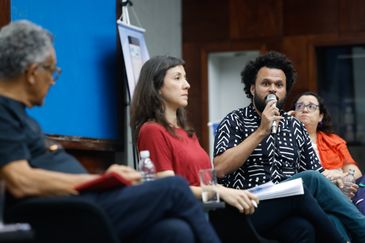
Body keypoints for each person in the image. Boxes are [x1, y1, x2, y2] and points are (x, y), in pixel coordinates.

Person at [0, 20, 222, 243]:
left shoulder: (23, 118)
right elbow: (21, 181)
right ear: (31, 72)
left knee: (174, 231)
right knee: (175, 188)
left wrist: (103, 179)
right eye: (51, 70)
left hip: (86, 203)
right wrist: (96, 181)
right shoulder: (3, 112)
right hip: (73, 211)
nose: (52, 81)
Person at [130, 55, 345, 242]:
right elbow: (171, 186)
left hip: (226, 204)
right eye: (178, 78)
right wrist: (224, 190)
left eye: (185, 78)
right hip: (215, 212)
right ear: (157, 87)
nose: (187, 85)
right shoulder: (152, 131)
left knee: (301, 228)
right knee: (300, 192)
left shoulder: (187, 132)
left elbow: (205, 178)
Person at [213, 51, 365, 242]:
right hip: (247, 209)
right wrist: (261, 131)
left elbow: (316, 174)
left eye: (279, 85)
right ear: (252, 88)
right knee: (309, 180)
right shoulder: (234, 120)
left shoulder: (295, 126)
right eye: (265, 83)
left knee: (305, 229)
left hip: (289, 207)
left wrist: (337, 179)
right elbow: (220, 169)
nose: (272, 90)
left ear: (286, 91)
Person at [291, 91, 362, 186]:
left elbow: (355, 173)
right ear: (293, 114)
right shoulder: (284, 140)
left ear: (320, 116)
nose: (304, 110)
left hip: (338, 189)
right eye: (299, 106)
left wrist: (341, 176)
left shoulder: (334, 141)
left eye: (311, 106)